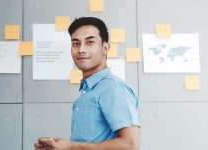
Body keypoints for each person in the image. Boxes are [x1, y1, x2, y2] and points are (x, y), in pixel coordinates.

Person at [34, 17, 140, 150]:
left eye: (90, 42)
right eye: (76, 43)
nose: (81, 49)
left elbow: (130, 145)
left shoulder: (114, 88)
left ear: (105, 48)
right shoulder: (87, 91)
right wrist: (61, 146)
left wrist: (71, 147)